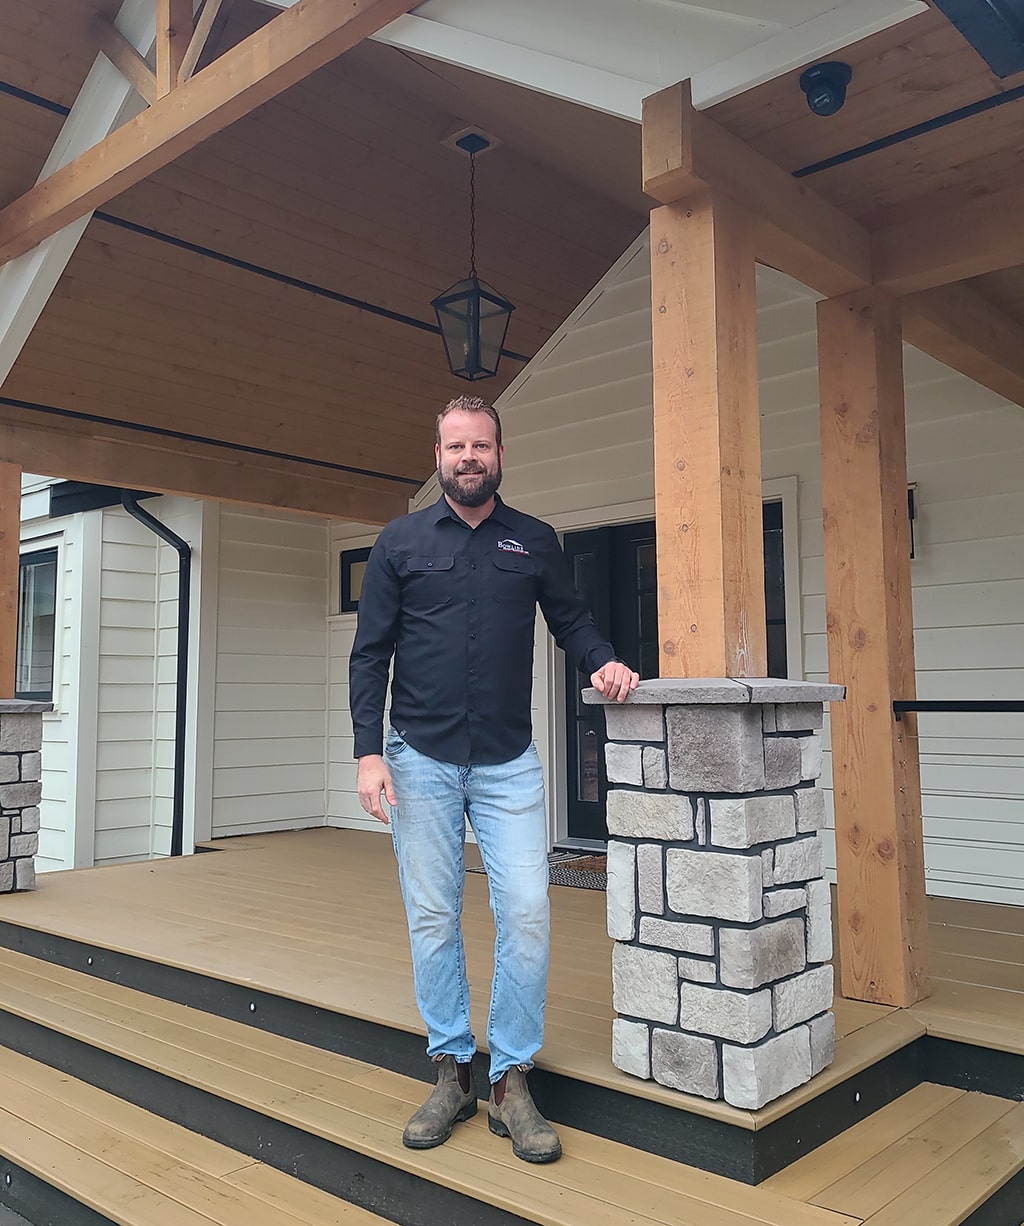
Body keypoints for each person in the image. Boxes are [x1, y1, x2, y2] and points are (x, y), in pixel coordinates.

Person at [350, 395, 638, 1164]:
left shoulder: (533, 541)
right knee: (433, 915)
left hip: (510, 761)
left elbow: (571, 621)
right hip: (419, 759)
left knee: (529, 912)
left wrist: (602, 659)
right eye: (455, 446)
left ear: (500, 454)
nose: (468, 457)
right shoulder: (400, 542)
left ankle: (510, 1080)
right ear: (437, 455)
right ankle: (452, 1069)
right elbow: (370, 652)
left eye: (481, 445)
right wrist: (368, 753)